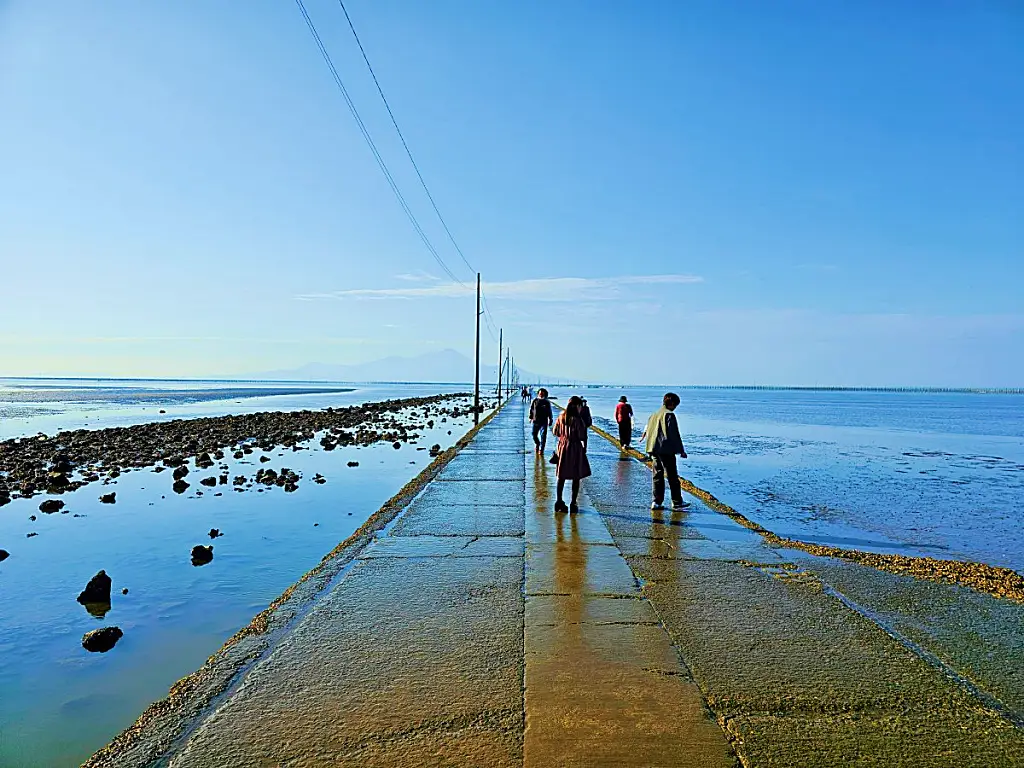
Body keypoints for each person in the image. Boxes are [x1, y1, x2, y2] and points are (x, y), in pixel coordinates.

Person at [641, 392, 688, 512]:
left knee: (657, 475)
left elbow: (648, 431)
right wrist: (681, 450)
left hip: (653, 449)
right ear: (672, 404)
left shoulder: (653, 415)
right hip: (666, 450)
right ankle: (677, 501)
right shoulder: (669, 415)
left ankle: (656, 502)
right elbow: (674, 435)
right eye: (675, 405)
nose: (675, 408)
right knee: (672, 476)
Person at [552, 395, 591, 513]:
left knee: (561, 476)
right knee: (576, 476)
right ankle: (573, 503)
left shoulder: (561, 417)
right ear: (578, 406)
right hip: (575, 448)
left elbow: (555, 432)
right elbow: (582, 436)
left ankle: (558, 501)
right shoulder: (578, 420)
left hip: (562, 447)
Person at [529, 388, 553, 453]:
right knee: (534, 434)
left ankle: (541, 449)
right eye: (540, 393)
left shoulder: (547, 402)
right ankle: (537, 443)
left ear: (545, 394)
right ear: (538, 393)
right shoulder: (535, 401)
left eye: (542, 393)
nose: (541, 394)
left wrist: (551, 419)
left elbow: (549, 412)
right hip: (535, 420)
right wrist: (530, 417)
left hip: (544, 421)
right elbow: (531, 409)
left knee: (543, 435)